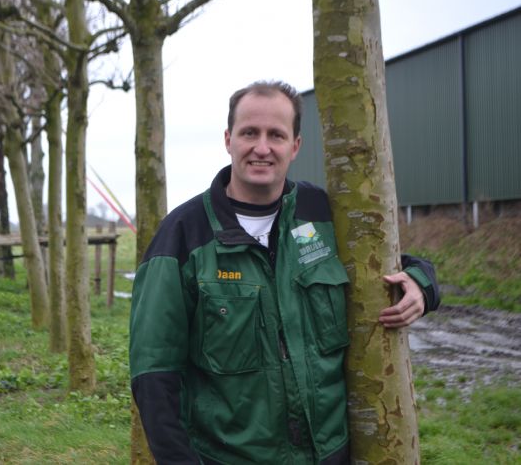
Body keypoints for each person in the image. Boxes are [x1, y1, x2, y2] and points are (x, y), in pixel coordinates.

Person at [129, 81, 439, 464]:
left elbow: (386, 263)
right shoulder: (183, 236)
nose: (262, 148)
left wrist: (421, 284)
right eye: (249, 133)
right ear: (228, 140)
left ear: (295, 145)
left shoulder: (322, 213)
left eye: (276, 135)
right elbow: (154, 376)